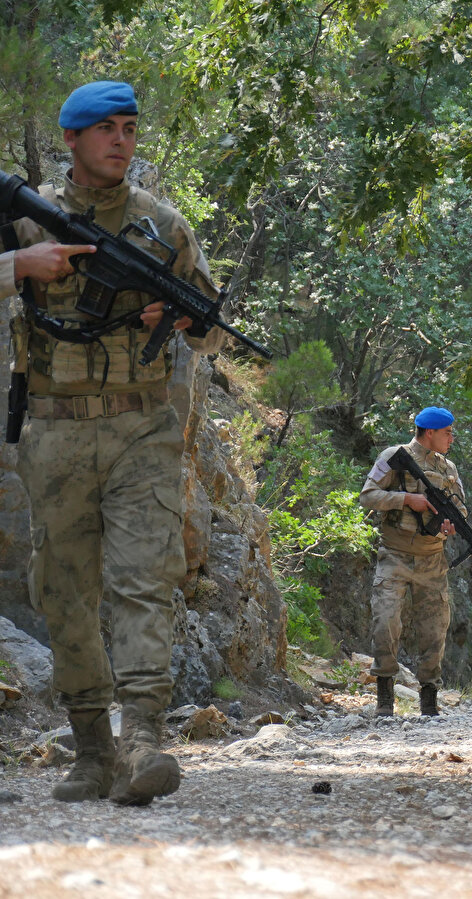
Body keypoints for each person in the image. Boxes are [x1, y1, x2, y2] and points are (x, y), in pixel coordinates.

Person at [0, 81, 225, 805]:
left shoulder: (163, 227)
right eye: (105, 129)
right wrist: (20, 268)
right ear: (71, 139)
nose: (121, 140)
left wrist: (185, 319)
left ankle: (145, 742)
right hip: (54, 429)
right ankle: (93, 749)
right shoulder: (25, 220)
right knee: (63, 590)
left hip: (142, 427)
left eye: (129, 127)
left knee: (142, 579)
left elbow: (214, 326)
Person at [359, 406, 466, 718]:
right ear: (429, 432)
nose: (451, 438)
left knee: (435, 630)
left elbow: (461, 509)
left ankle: (429, 699)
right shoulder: (395, 456)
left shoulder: (449, 468)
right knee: (386, 621)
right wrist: (406, 499)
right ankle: (384, 698)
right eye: (447, 432)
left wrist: (450, 525)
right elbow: (368, 495)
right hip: (394, 554)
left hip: (433, 559)